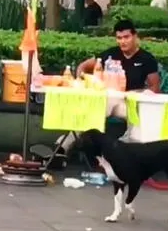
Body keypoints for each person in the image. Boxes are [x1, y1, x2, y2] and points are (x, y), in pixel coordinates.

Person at [55, 20, 160, 155]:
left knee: (139, 117)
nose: (123, 42)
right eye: (119, 38)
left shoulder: (147, 58)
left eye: (126, 37)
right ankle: (63, 146)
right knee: (92, 110)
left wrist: (141, 93)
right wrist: (81, 80)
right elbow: (84, 66)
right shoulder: (111, 54)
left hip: (130, 102)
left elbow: (155, 87)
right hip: (109, 98)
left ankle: (122, 151)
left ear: (135, 36)